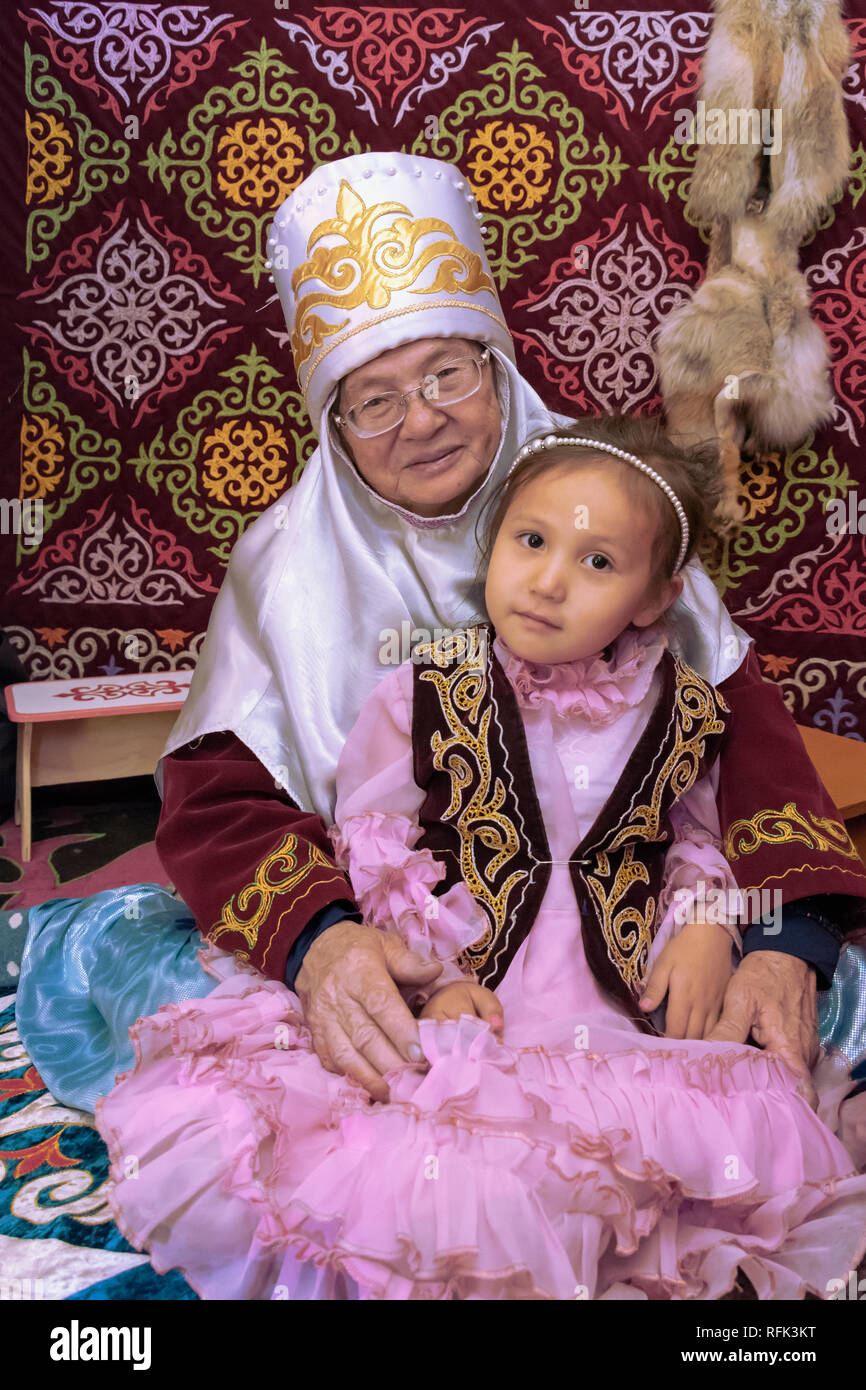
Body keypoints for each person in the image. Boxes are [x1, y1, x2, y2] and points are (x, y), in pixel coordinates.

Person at [15, 153, 866, 1123]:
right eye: (374, 398)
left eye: (445, 373)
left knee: (814, 1023)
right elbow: (219, 800)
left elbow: (738, 745)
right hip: (407, 952)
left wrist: (778, 940)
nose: (420, 419)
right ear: (333, 419)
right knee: (197, 1009)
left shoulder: (605, 506)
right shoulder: (283, 561)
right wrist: (321, 943)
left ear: (494, 365)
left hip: (627, 939)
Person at [93, 415, 866, 1300]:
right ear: (492, 543)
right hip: (475, 985)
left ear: (657, 598)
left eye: (599, 563)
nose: (547, 581)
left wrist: (704, 928)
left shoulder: (685, 707)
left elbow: (693, 833)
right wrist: (430, 975)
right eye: (530, 541)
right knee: (439, 1154)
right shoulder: (427, 689)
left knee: (685, 1135)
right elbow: (378, 844)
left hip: (610, 988)